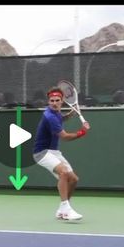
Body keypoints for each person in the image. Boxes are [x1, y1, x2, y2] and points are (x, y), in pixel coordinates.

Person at [33, 86, 90, 221]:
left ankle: (63, 210)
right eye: (51, 100)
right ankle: (66, 209)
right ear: (48, 102)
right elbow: (64, 136)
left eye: (57, 100)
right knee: (63, 172)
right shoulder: (49, 115)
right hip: (42, 153)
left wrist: (71, 114)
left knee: (74, 179)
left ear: (62, 101)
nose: (54, 103)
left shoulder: (56, 113)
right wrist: (82, 131)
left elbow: (60, 119)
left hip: (54, 152)